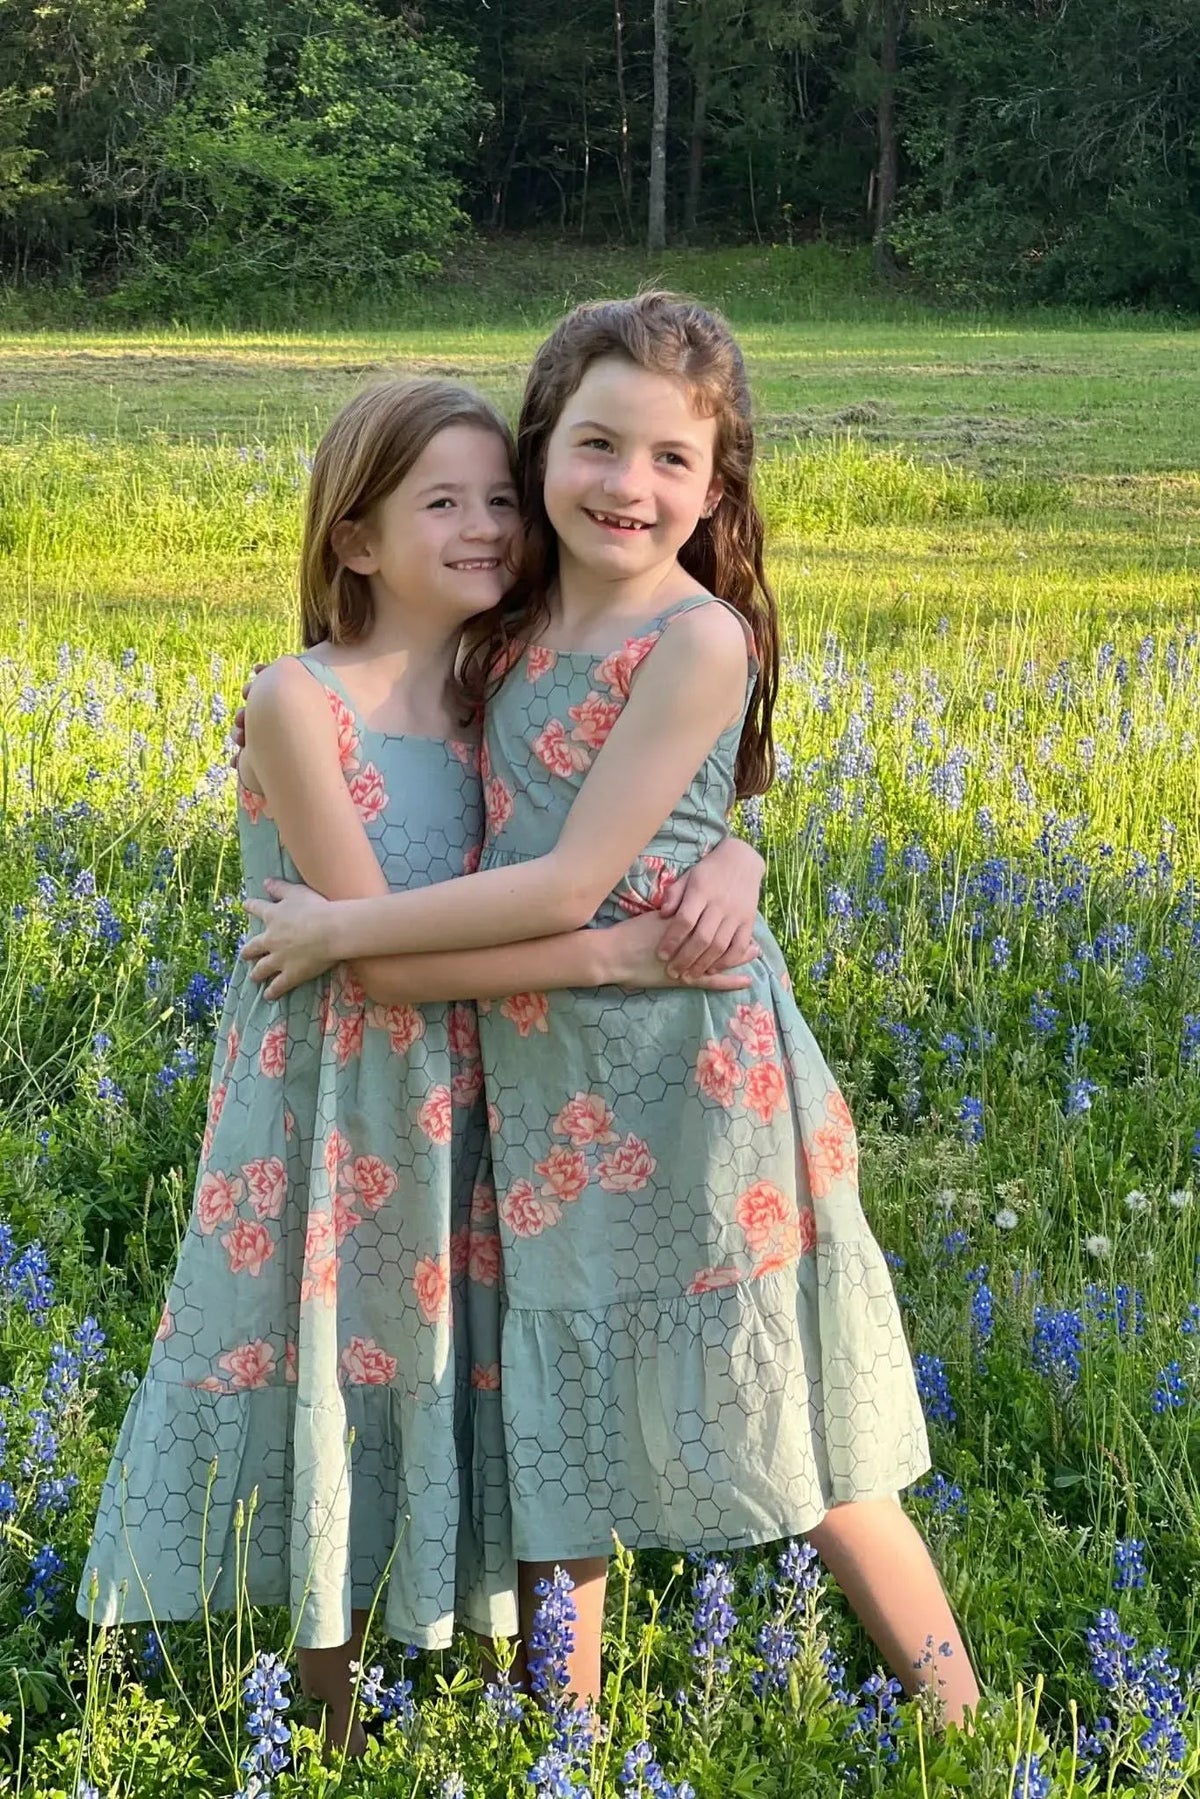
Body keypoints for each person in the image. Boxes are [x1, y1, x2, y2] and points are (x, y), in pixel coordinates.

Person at [241, 294, 981, 1727]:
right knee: (558, 1402)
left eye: (669, 460)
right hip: (535, 1077)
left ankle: (960, 1717)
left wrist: (343, 931)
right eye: (594, 445)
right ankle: (563, 1745)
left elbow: (585, 879)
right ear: (542, 450)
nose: (626, 485)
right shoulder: (506, 625)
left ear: (715, 489)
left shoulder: (698, 640)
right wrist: (731, 855)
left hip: (687, 1074)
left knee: (785, 1406)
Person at [79, 372, 765, 1759]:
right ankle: (325, 1721)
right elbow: (379, 966)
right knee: (337, 1366)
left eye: (499, 499)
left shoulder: (500, 688)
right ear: (355, 537)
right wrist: (618, 956)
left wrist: (738, 859)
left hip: (489, 1093)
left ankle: (521, 1696)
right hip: (341, 1108)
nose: (486, 527)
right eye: (441, 503)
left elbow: (636, 815)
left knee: (482, 1367)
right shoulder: (298, 699)